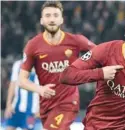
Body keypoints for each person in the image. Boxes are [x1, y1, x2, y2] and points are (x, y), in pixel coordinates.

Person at [19, 1, 96, 130]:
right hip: (46, 104)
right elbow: (21, 81)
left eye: (55, 15)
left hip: (68, 101)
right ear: (42, 21)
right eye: (48, 16)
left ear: (61, 20)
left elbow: (101, 53)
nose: (52, 19)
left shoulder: (75, 41)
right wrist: (40, 90)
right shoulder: (33, 45)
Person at [5, 59, 39, 130]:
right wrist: (8, 105)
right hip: (15, 108)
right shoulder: (18, 64)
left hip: (31, 111)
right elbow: (12, 86)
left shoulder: (42, 66)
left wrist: (40, 108)